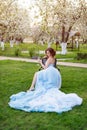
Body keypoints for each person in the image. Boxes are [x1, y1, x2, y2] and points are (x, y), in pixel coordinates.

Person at [8, 48, 83, 113]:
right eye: (46, 52)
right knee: (38, 74)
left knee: (37, 73)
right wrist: (44, 58)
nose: (47, 54)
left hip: (49, 71)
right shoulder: (53, 58)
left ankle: (32, 87)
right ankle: (32, 87)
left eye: (48, 53)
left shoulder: (50, 59)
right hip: (54, 72)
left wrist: (40, 62)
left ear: (51, 53)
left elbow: (45, 68)